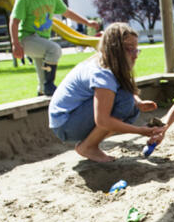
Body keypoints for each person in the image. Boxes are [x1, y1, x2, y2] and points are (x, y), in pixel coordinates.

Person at [48, 22, 163, 163]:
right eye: (129, 49)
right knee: (125, 101)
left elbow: (122, 88)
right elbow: (102, 120)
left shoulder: (107, 63)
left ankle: (89, 144)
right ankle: (88, 146)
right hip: (65, 124)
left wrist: (138, 102)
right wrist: (140, 131)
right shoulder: (103, 74)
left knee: (131, 108)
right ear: (115, 50)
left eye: (136, 50)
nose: (135, 55)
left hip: (70, 119)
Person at [10, 0, 99, 96]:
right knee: (54, 49)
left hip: (41, 40)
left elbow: (67, 12)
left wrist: (87, 22)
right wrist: (15, 44)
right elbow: (14, 21)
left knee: (42, 79)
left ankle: (44, 91)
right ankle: (50, 85)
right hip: (27, 39)